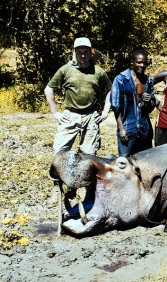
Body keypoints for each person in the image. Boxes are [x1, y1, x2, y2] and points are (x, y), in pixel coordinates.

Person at [44, 37, 112, 206]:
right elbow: (49, 89)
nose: (83, 55)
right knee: (60, 153)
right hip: (70, 116)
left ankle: (78, 190)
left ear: (91, 52)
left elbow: (111, 90)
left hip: (91, 117)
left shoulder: (98, 72)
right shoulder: (65, 70)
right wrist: (55, 112)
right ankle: (56, 189)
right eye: (79, 52)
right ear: (74, 52)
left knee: (88, 155)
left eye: (86, 52)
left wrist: (105, 111)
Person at [110, 50, 156, 156]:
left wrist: (148, 102)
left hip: (144, 129)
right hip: (128, 127)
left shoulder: (148, 81)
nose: (142, 65)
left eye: (144, 63)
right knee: (125, 162)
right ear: (132, 62)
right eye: (139, 62)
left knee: (145, 160)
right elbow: (116, 106)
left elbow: (150, 108)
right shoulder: (121, 79)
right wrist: (121, 129)